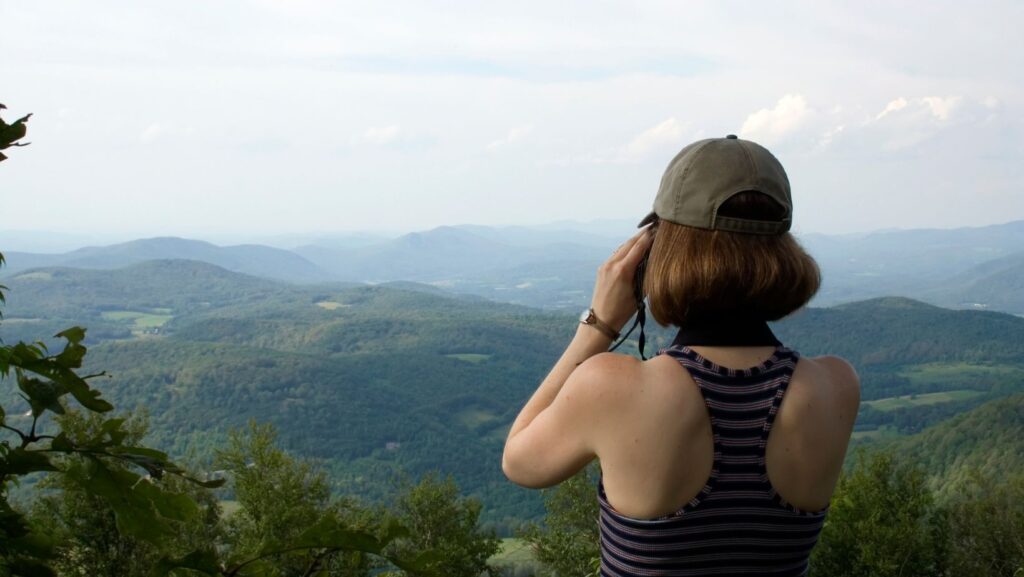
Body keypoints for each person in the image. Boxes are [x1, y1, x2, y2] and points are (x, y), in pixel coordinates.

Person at [502, 135, 860, 577]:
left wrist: (599, 325)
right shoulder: (835, 387)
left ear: (658, 251)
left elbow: (519, 462)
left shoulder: (613, 387)